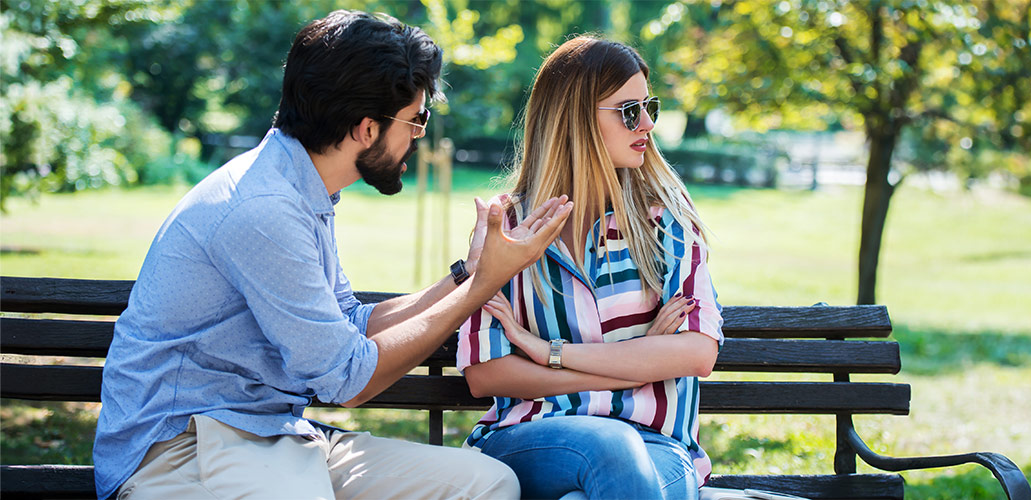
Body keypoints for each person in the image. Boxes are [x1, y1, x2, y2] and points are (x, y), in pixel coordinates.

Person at [93, 11, 573, 500]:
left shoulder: (302, 189)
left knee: (486, 484)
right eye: (416, 119)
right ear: (367, 128)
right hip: (184, 448)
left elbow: (350, 321)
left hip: (273, 436)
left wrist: (465, 274)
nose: (419, 135)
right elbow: (348, 380)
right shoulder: (264, 210)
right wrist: (482, 286)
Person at [456, 36, 723, 500]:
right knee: (611, 446)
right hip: (533, 438)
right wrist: (641, 361)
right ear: (576, 118)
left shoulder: (667, 220)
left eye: (649, 107)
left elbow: (696, 353)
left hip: (659, 445)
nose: (647, 125)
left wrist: (545, 351)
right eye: (627, 111)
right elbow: (488, 372)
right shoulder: (509, 228)